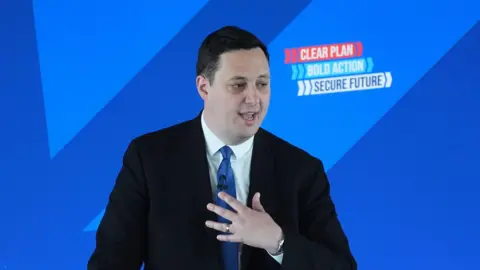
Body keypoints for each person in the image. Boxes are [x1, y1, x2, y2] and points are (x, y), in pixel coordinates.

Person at [87, 26, 357, 270]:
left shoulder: (301, 170)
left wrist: (278, 242)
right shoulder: (149, 159)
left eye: (262, 84)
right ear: (204, 87)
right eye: (238, 85)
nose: (253, 98)